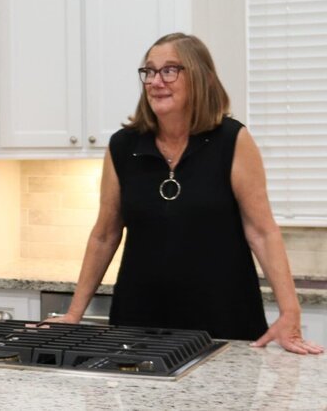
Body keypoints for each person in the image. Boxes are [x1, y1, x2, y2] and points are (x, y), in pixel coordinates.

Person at [43, 33, 323, 355]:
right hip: (138, 322)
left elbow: (262, 231)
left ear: (200, 78)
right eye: (149, 71)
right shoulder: (123, 147)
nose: (155, 81)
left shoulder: (232, 141)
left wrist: (290, 311)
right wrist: (74, 314)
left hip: (224, 321)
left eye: (169, 70)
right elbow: (105, 234)